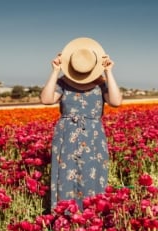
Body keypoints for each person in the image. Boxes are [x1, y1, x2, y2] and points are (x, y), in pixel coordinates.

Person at [40, 37, 122, 211]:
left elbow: (116, 101)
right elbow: (46, 99)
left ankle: (91, 216)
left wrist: (109, 72)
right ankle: (65, 216)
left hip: (93, 136)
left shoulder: (101, 84)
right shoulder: (62, 83)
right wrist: (55, 71)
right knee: (65, 174)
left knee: (92, 173)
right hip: (67, 134)